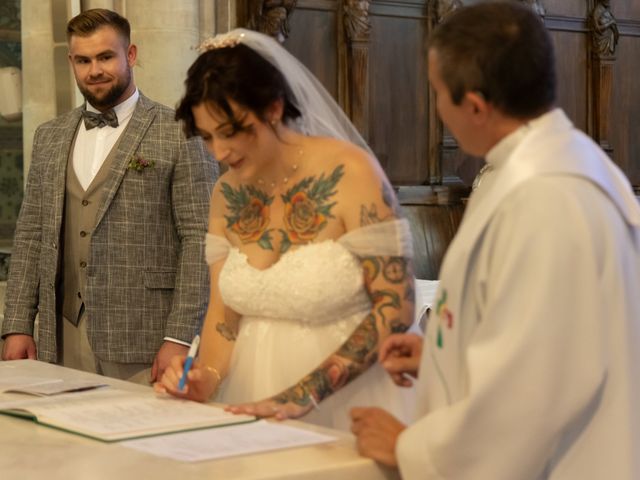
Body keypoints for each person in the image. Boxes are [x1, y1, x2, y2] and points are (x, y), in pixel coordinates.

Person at [351, 2, 640, 478]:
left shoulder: (544, 198)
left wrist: (410, 446)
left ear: (476, 106)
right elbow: (548, 335)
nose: (438, 109)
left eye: (439, 93)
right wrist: (447, 355)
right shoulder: (561, 163)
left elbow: (534, 392)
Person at [154, 28, 417, 430]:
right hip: (250, 392)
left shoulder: (352, 173)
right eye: (207, 137)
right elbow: (225, 314)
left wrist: (305, 393)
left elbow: (395, 308)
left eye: (231, 131)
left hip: (351, 397)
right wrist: (206, 375)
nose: (219, 152)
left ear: (273, 108)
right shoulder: (225, 194)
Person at [1, 9, 217, 384]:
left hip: (146, 340)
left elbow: (201, 239)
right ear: (71, 61)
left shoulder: (181, 132)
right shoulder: (49, 136)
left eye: (105, 57)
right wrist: (17, 324)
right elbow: (31, 235)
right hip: (61, 338)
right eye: (83, 60)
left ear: (130, 55)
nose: (94, 70)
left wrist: (180, 336)